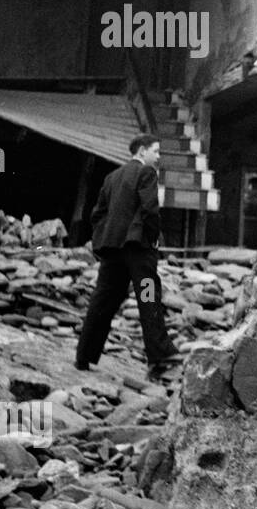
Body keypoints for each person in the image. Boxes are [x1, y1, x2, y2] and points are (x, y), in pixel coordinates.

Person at [75, 134, 179, 381]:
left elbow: (97, 214)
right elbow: (150, 210)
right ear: (142, 152)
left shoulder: (112, 177)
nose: (158, 156)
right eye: (156, 151)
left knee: (102, 301)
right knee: (148, 298)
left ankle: (83, 356)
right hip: (139, 251)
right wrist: (152, 239)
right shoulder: (147, 174)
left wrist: (105, 239)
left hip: (112, 253)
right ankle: (160, 357)